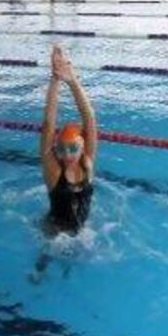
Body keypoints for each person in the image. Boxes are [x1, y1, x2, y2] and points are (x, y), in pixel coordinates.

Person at [40, 45, 98, 235]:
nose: (67, 154)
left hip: (82, 234)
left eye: (73, 148)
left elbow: (89, 118)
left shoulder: (87, 162)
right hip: (54, 236)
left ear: (82, 145)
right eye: (61, 149)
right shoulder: (54, 171)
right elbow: (49, 123)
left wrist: (73, 82)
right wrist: (55, 79)